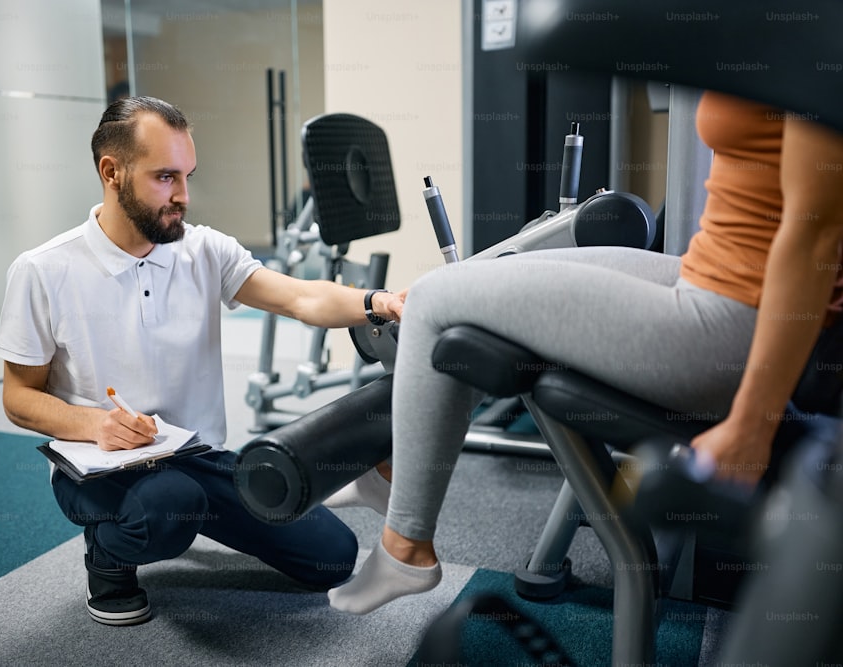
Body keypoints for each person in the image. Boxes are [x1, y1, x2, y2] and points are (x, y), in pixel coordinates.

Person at [327, 91, 843, 614]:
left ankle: (405, 548)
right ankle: (391, 473)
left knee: (436, 301)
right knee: (473, 276)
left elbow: (815, 232)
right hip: (708, 278)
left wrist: (753, 425)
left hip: (738, 321)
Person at [0, 95, 405, 626]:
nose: (183, 196)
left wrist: (378, 303)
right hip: (101, 469)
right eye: (166, 177)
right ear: (111, 172)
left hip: (195, 455)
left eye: (187, 176)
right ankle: (108, 558)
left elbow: (300, 297)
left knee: (332, 557)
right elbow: (17, 397)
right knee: (167, 505)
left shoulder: (204, 250)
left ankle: (201, 512)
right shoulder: (43, 269)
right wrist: (96, 423)